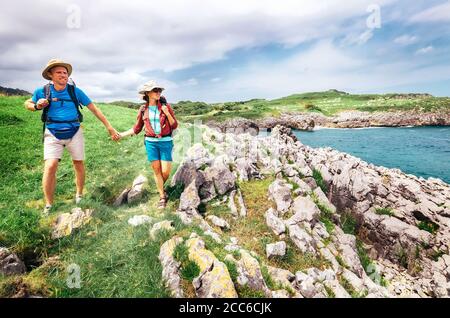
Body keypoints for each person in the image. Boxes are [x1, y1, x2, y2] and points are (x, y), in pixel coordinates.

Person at [24, 59, 120, 215]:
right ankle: (48, 204)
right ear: (50, 75)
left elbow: (94, 109)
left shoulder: (75, 91)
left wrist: (109, 127)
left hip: (75, 131)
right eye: (59, 72)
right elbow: (27, 103)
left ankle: (79, 195)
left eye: (65, 72)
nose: (63, 75)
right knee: (50, 166)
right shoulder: (42, 91)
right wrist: (36, 105)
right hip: (52, 132)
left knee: (78, 163)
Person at [118, 80, 178, 209]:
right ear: (147, 93)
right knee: (156, 171)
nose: (158, 93)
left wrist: (167, 113)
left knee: (165, 171)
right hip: (150, 143)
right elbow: (137, 128)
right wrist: (121, 135)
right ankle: (162, 196)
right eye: (155, 90)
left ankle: (159, 186)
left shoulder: (165, 106)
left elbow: (174, 125)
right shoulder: (143, 109)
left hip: (166, 141)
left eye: (159, 90)